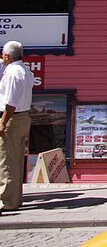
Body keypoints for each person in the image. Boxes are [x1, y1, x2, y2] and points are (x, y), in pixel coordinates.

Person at [0, 41, 33, 211]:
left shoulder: (12, 73)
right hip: (24, 116)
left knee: (6, 160)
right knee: (18, 159)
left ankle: (7, 201)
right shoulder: (26, 71)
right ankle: (16, 197)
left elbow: (10, 103)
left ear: (7, 56)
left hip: (13, 117)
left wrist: (3, 122)